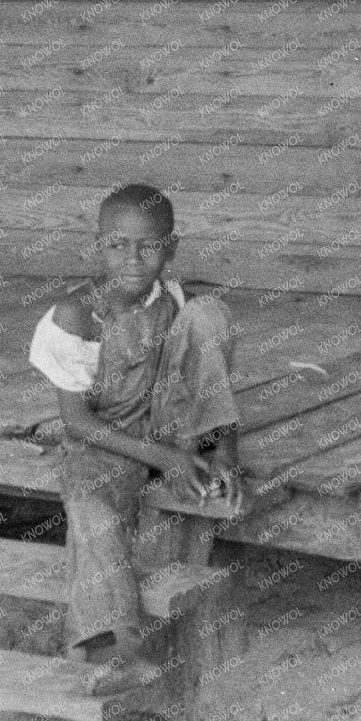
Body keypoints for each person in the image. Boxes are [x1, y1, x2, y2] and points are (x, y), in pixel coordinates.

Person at [28, 184, 243, 693]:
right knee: (90, 506)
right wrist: (164, 459)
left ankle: (203, 455)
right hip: (104, 439)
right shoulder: (76, 317)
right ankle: (111, 649)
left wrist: (226, 451)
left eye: (148, 246)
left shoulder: (173, 298)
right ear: (98, 245)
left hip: (168, 426)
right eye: (117, 245)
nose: (132, 258)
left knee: (210, 315)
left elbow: (205, 377)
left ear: (171, 247)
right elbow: (77, 424)